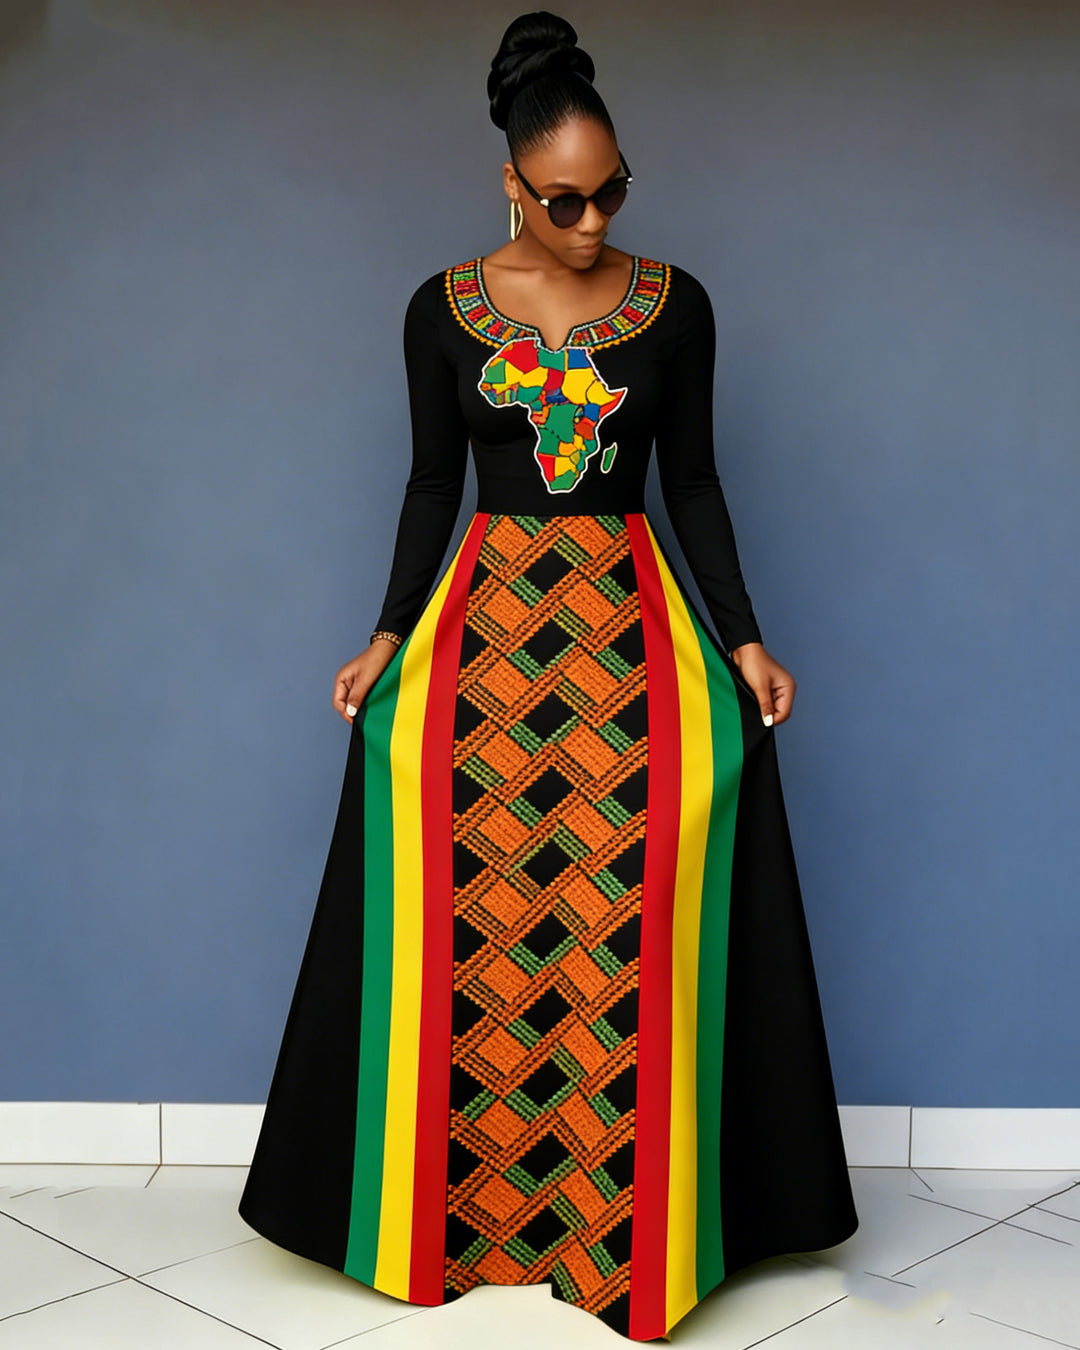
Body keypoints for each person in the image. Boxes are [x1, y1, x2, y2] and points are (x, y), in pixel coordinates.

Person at [238, 10, 858, 1341]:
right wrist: (385, 637)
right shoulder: (440, 310)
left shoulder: (677, 306)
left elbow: (695, 482)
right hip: (485, 645)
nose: (592, 223)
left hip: (636, 641)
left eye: (613, 191)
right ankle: (470, 1218)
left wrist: (744, 638)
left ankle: (629, 1223)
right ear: (510, 184)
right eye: (564, 200)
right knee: (480, 915)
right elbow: (431, 485)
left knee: (625, 922)